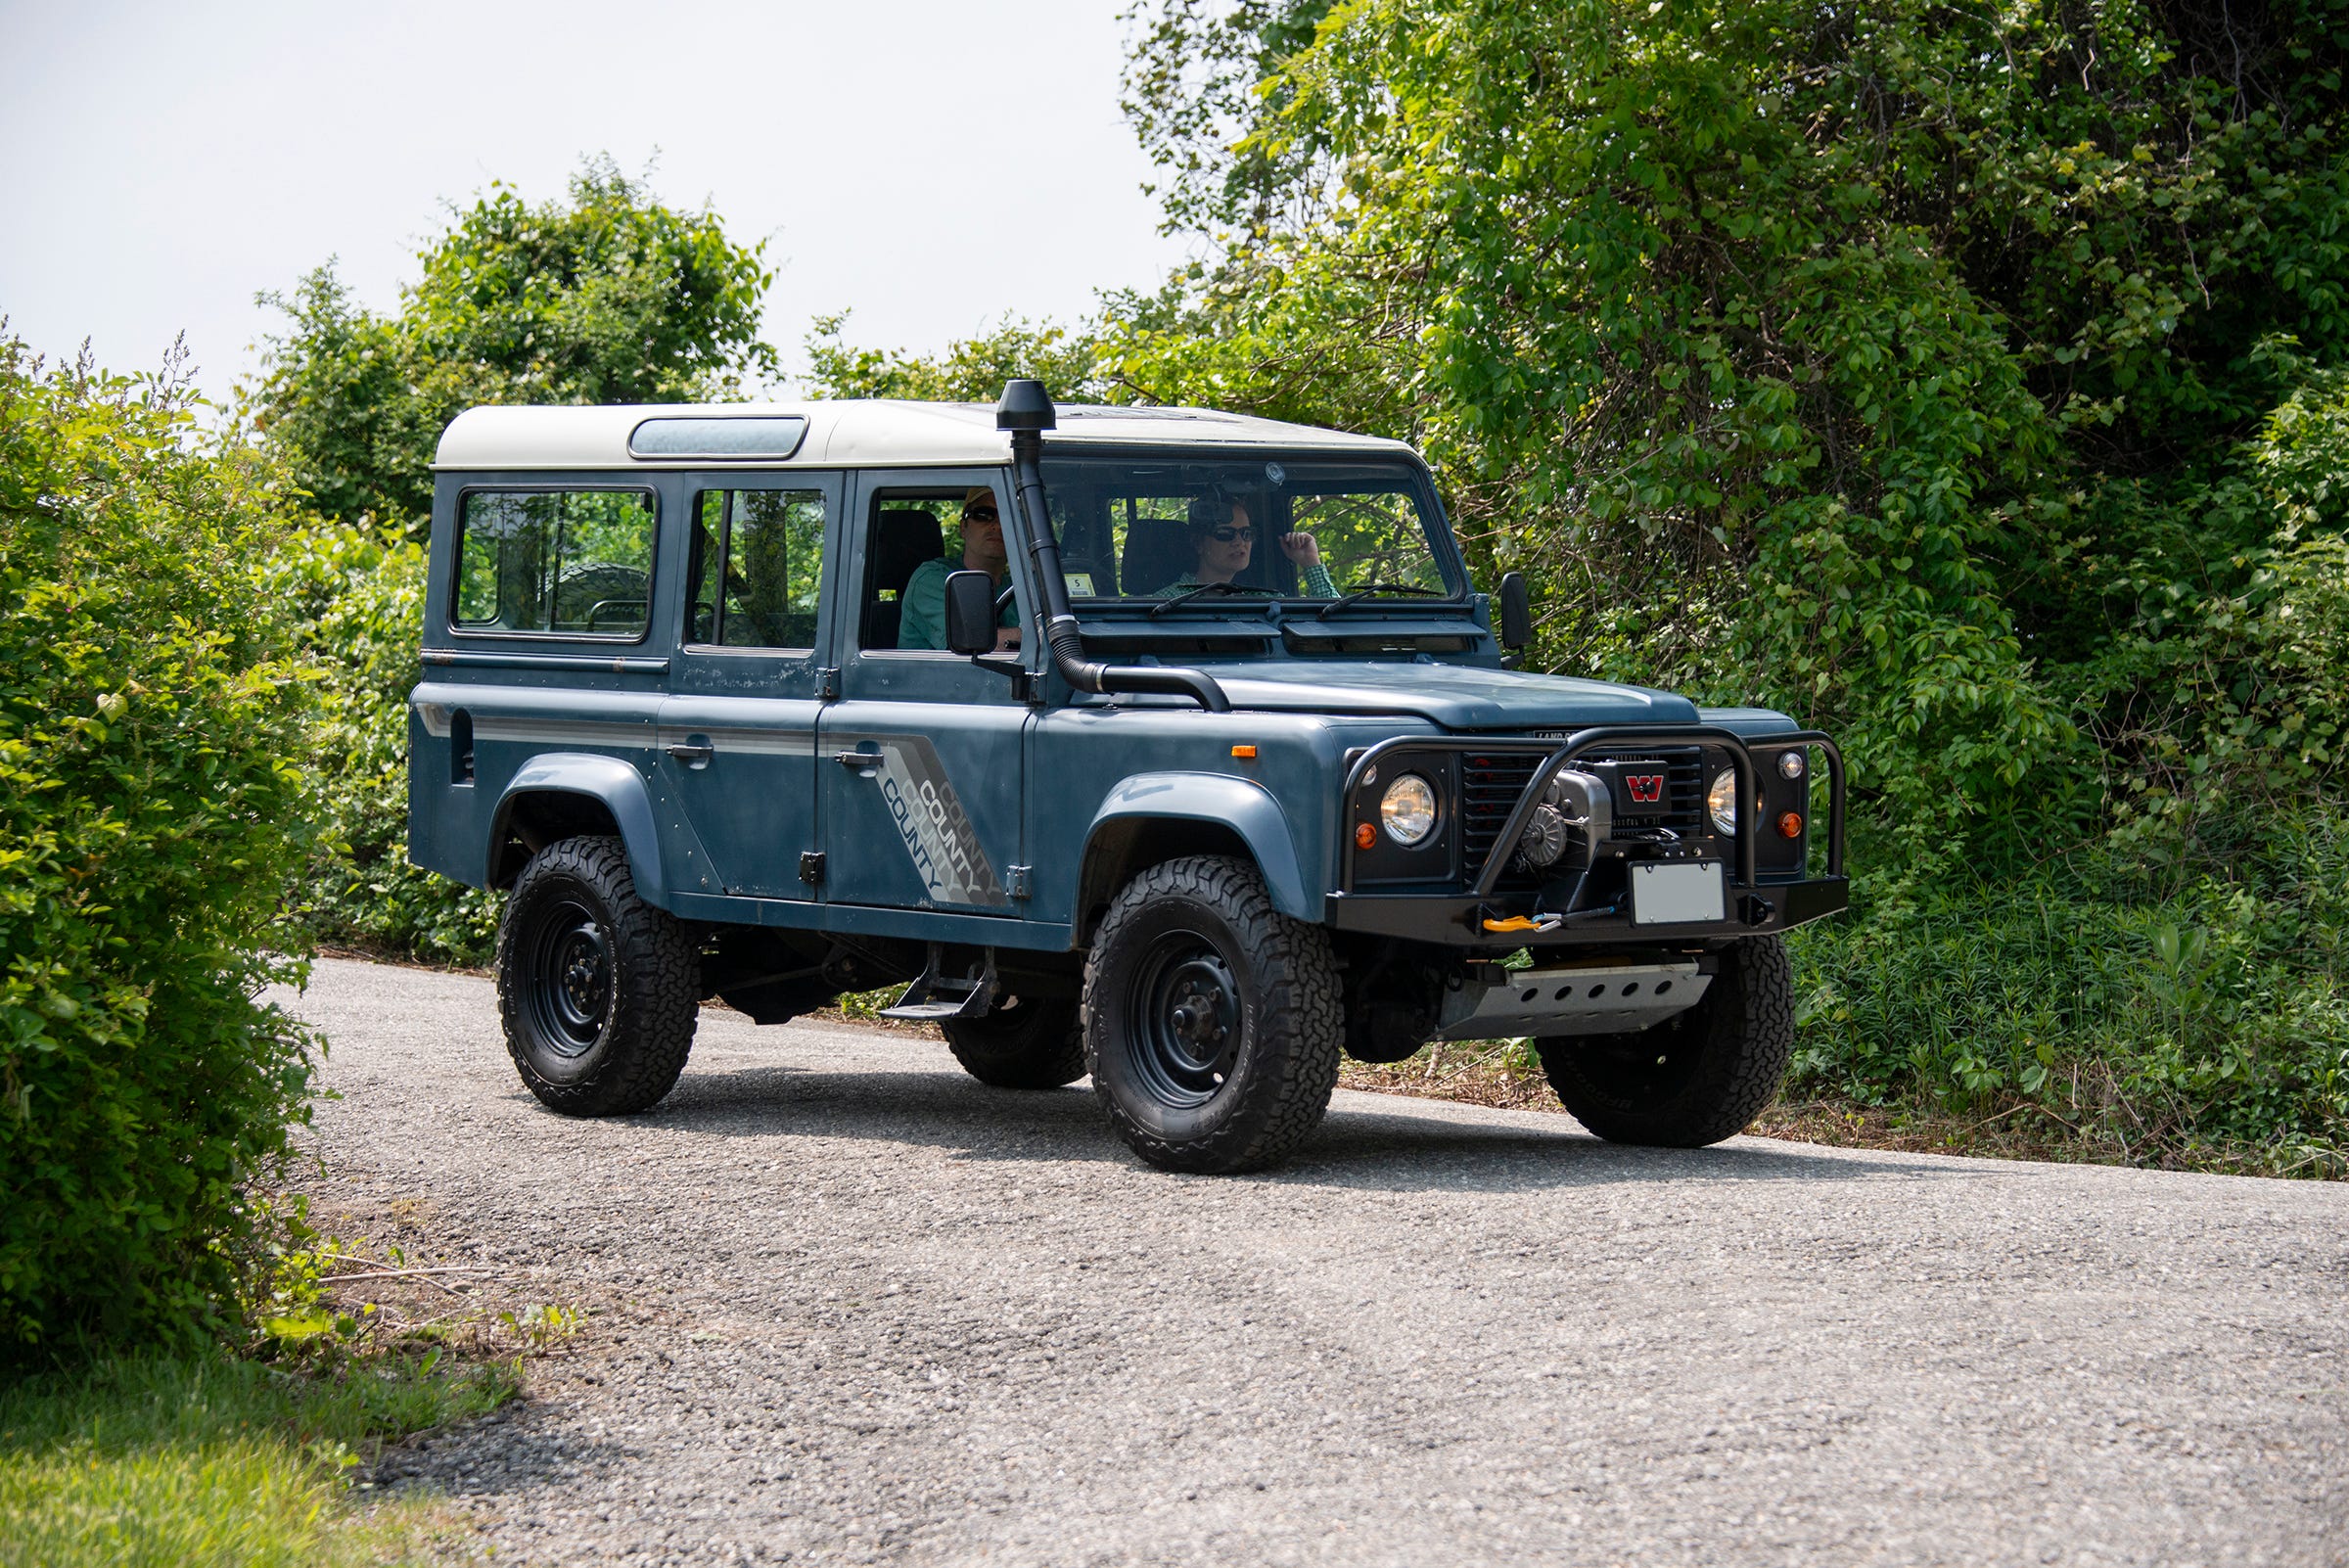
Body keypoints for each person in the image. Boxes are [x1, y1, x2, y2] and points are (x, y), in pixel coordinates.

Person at [898, 486, 1021, 651]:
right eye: (984, 515)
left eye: (1007, 516)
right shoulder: (933, 580)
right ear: (963, 527)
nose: (997, 526)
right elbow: (975, 642)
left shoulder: (1020, 587)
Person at [1158, 492, 1337, 599]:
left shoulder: (1263, 601)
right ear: (1198, 543)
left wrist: (1311, 564)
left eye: (1246, 533)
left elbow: (1335, 628)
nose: (1239, 542)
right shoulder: (1166, 602)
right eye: (1225, 534)